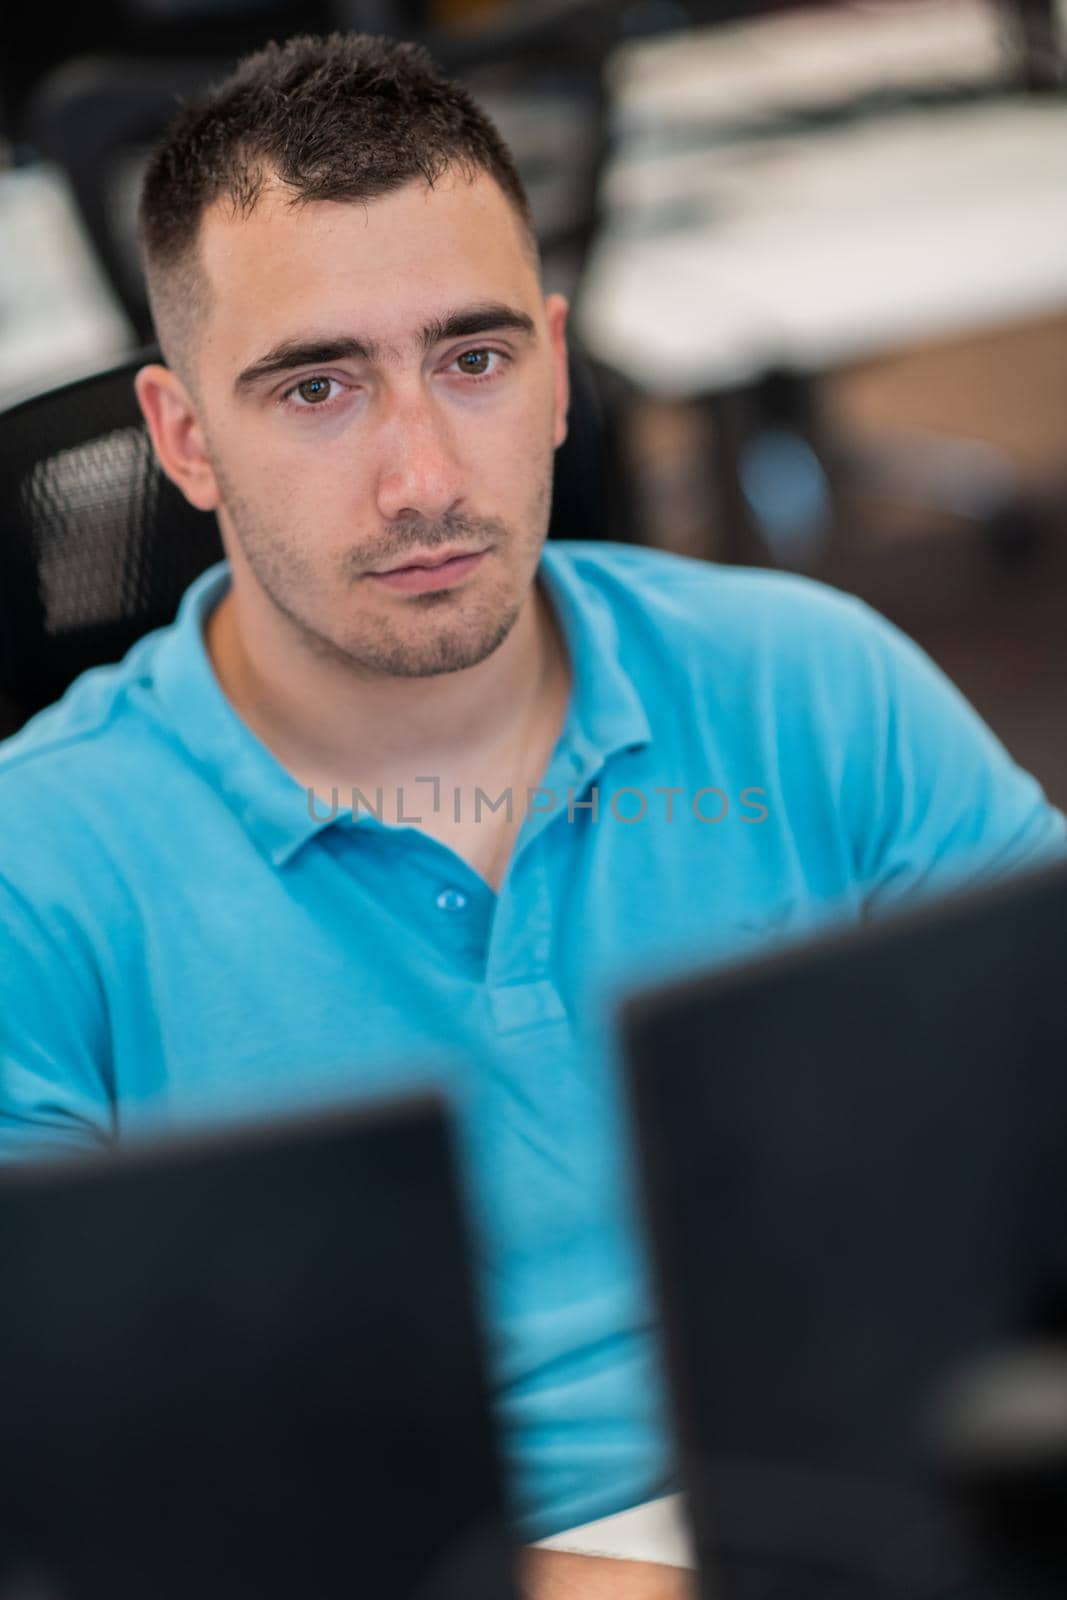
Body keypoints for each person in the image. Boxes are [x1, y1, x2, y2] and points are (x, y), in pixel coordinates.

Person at [1, 30, 1064, 1598]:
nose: (424, 476)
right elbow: (87, 1503)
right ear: (181, 439)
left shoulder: (809, 686)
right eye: (317, 388)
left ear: (559, 369)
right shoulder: (42, 878)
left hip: (884, 1510)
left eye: (477, 360)